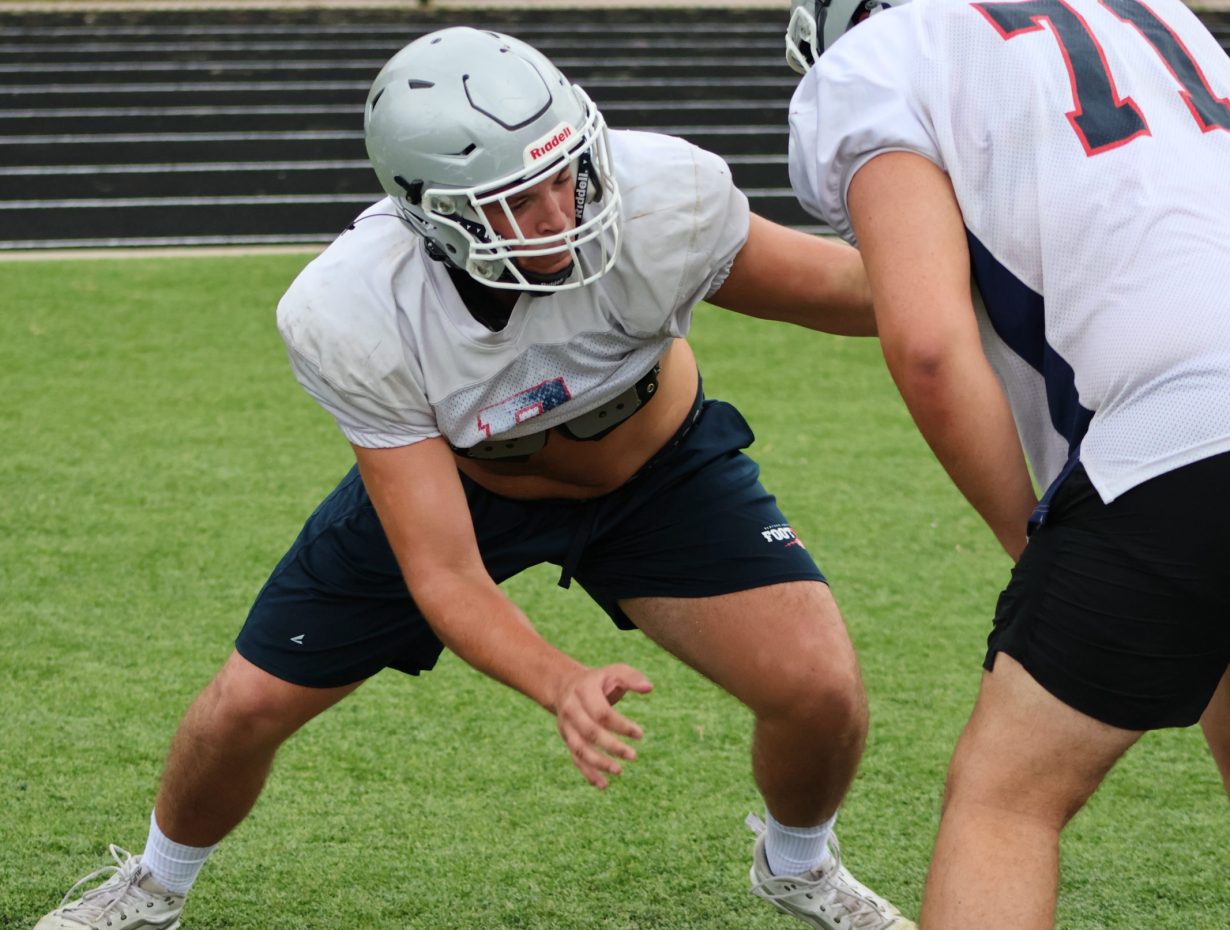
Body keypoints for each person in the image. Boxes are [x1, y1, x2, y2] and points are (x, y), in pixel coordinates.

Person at [34, 26, 917, 930]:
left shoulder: (664, 194)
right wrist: (558, 679)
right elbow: (445, 572)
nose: (560, 213)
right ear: (431, 213)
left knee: (820, 689)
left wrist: (972, 271)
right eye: (516, 201)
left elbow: (866, 295)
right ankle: (154, 884)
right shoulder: (353, 306)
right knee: (245, 705)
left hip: (662, 475)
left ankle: (796, 864)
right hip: (474, 486)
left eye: (565, 174)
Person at [782, 0, 1230, 927]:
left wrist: (1031, 533)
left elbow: (929, 344)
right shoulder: (1158, 13)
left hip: (1182, 419)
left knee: (1007, 801)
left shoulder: (884, 54)